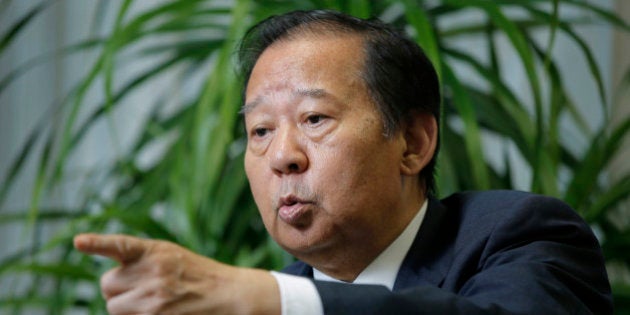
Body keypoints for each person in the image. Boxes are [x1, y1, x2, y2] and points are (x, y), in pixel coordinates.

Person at [74, 9, 613, 314]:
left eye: (314, 119)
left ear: (412, 143)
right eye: (260, 130)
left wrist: (272, 301)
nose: (282, 156)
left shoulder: (521, 236)